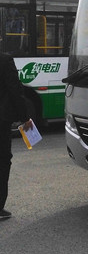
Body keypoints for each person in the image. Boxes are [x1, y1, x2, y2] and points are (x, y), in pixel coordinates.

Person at [0, 52, 31, 221]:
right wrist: (25, 117)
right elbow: (15, 90)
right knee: (3, 160)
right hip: (1, 121)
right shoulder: (4, 59)